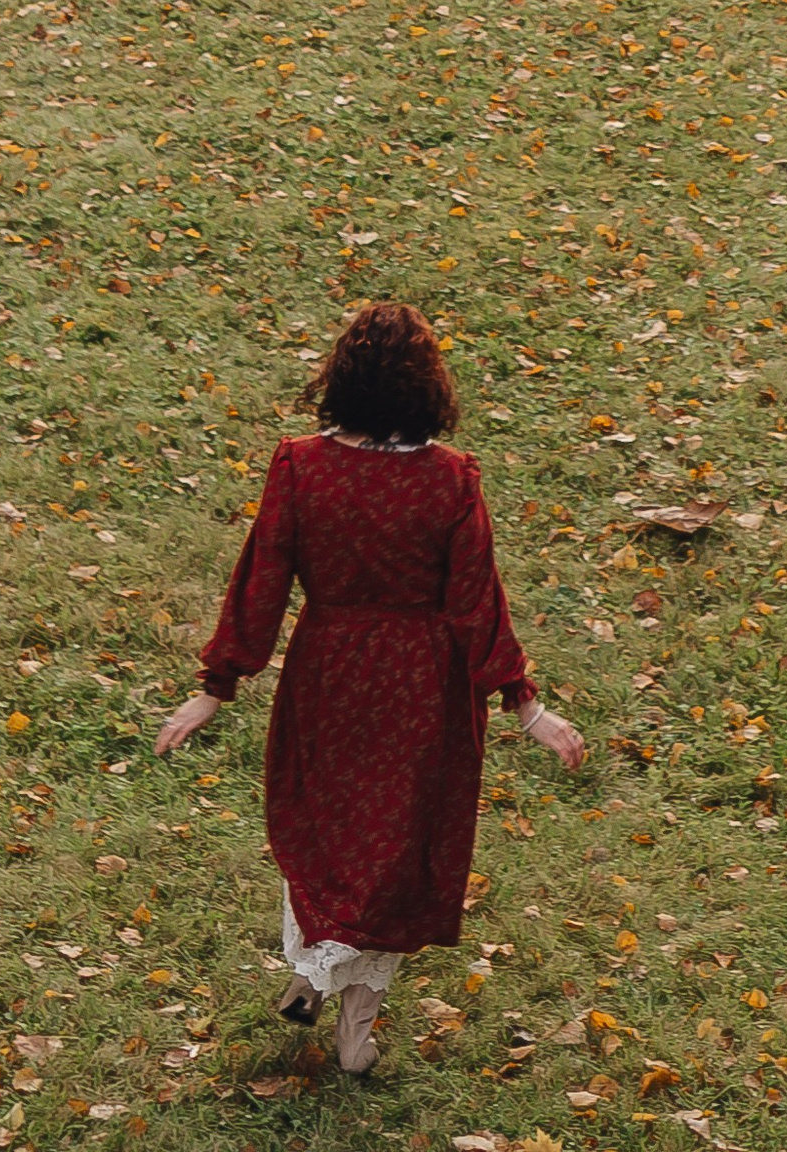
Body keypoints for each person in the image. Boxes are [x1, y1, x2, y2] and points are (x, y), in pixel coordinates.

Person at [156, 297, 586, 1076]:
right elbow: (476, 602)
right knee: (393, 846)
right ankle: (354, 1024)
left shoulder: (299, 465)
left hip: (330, 670)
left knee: (325, 830)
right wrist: (527, 706)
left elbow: (261, 581)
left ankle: (313, 971)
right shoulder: (452, 480)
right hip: (423, 683)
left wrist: (216, 687)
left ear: (341, 378)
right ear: (429, 388)